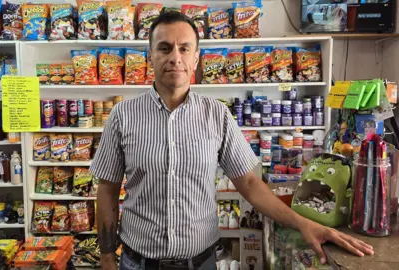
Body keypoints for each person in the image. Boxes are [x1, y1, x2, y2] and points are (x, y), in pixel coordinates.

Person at [91, 12, 374, 270]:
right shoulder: (123, 115)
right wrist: (106, 258)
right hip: (137, 262)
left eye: (184, 48)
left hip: (200, 262)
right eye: (164, 48)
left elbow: (249, 184)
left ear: (196, 59)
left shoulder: (217, 114)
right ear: (150, 55)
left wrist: (303, 224)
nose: (175, 57)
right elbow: (107, 189)